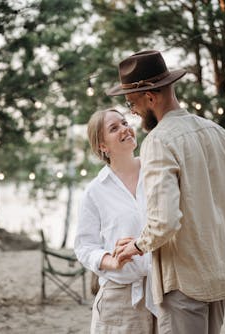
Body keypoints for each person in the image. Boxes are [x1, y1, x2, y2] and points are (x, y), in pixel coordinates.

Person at [107, 50, 225, 334]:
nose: (134, 112)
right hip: (221, 276)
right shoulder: (218, 132)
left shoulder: (158, 141)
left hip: (185, 282)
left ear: (151, 97)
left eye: (132, 104)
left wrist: (137, 245)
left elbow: (164, 221)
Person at [74, 108, 157, 334]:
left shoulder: (157, 171)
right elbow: (84, 247)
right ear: (103, 146)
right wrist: (112, 261)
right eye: (114, 128)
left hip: (165, 291)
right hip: (119, 298)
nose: (124, 128)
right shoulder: (95, 191)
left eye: (124, 122)